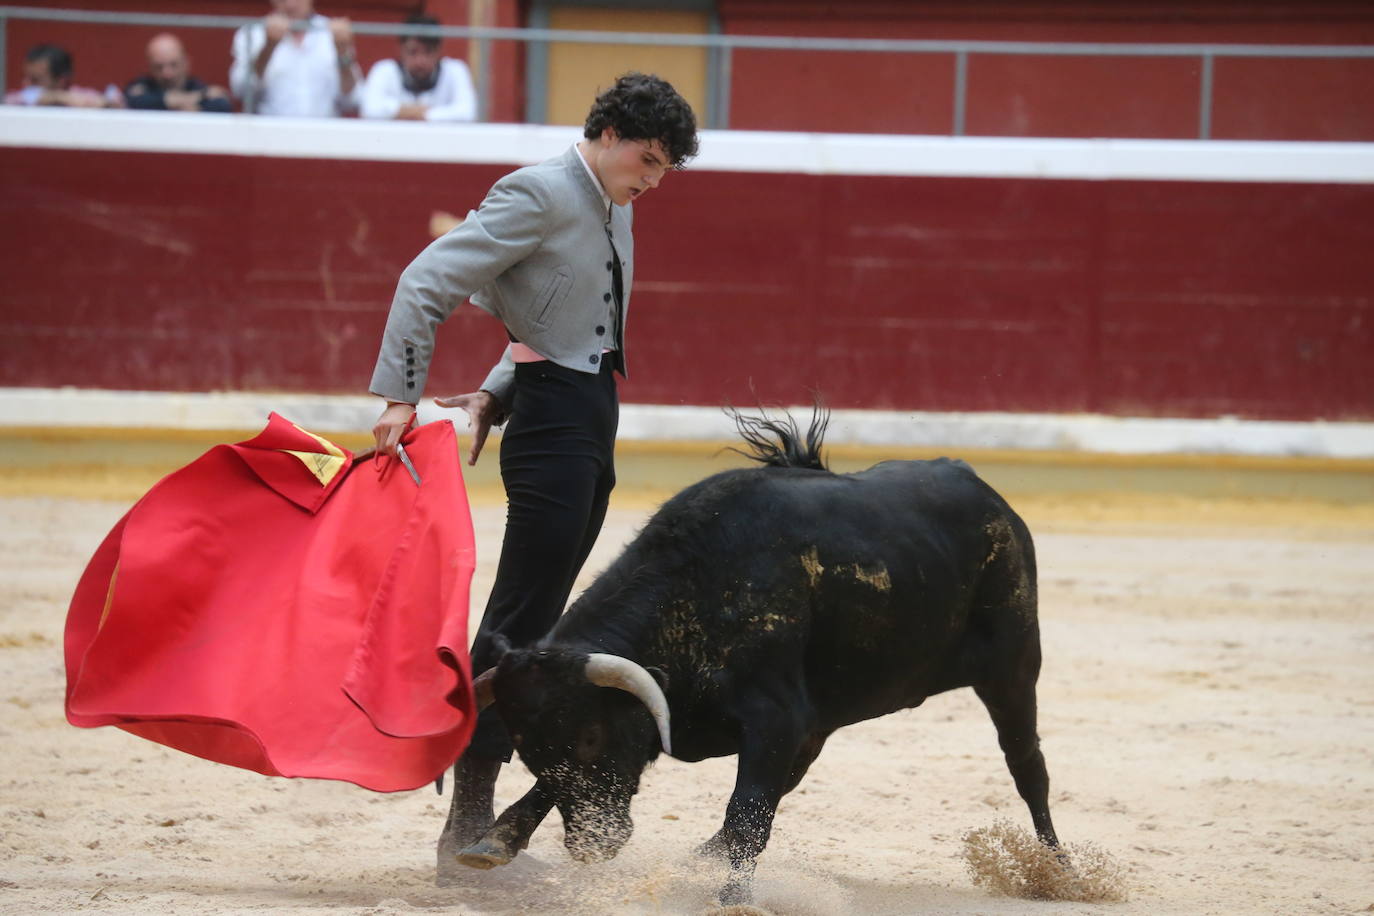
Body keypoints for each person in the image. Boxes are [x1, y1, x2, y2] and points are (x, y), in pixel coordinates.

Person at [367, 72, 698, 878]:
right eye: (647, 160)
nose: (651, 181)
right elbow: (425, 281)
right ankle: (470, 808)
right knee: (520, 616)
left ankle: (505, 798)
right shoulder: (541, 191)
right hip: (554, 428)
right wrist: (398, 397)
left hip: (586, 416)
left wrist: (493, 388)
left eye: (663, 170)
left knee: (546, 618)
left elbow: (547, 320)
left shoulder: (613, 201)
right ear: (610, 132)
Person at [229, 0, 361, 116]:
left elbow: (351, 98)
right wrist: (268, 47)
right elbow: (241, 91)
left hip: (324, 134)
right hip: (270, 134)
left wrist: (342, 52)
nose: (290, 4)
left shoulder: (332, 32)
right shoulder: (253, 32)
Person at [361, 14, 477, 122]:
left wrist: (426, 114)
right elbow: (369, 109)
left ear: (439, 50)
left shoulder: (455, 70)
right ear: (401, 50)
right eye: (413, 52)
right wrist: (408, 111)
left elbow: (467, 113)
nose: (420, 61)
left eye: (428, 52)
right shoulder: (384, 70)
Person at [125, 33, 232, 113]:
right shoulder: (141, 85)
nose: (167, 74)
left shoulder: (197, 86)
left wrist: (164, 104)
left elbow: (222, 106)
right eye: (159, 67)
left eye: (173, 65)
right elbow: (133, 102)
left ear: (186, 63)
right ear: (150, 67)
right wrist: (198, 98)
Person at [4, 43, 122, 108]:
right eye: (26, 77)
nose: (26, 84)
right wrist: (56, 97)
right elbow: (10, 101)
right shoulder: (18, 100)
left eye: (35, 80)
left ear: (61, 80)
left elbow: (112, 105)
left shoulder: (78, 95)